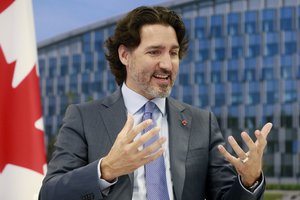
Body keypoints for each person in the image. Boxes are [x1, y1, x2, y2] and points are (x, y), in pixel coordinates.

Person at [39, 6, 272, 200]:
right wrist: (106, 169)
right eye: (154, 52)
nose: (167, 65)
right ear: (125, 55)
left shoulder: (202, 122)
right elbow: (50, 194)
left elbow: (224, 196)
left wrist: (248, 181)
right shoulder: (84, 117)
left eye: (173, 53)